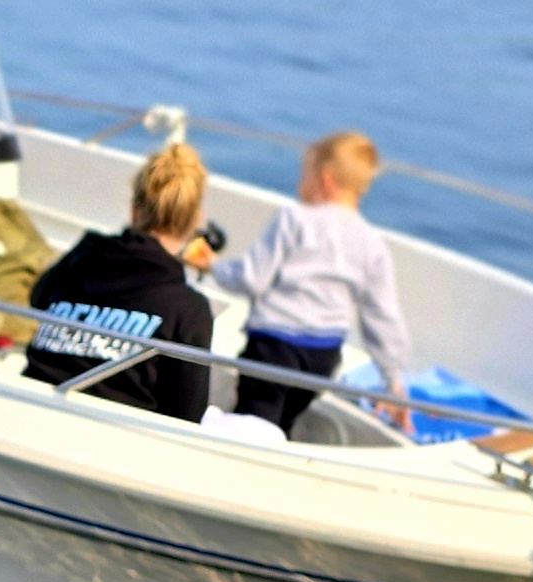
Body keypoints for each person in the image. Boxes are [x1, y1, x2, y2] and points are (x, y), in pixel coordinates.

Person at [212, 130, 417, 434]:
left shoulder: (293, 219)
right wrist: (394, 381)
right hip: (322, 358)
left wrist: (212, 266)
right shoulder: (372, 243)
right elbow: (382, 316)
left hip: (274, 348)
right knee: (281, 423)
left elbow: (251, 279)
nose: (299, 184)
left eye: (304, 174)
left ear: (325, 180)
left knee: (251, 427)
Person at [22, 140, 220, 424]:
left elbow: (37, 299)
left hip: (28, 413)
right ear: (194, 221)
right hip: (112, 437)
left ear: (134, 210)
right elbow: (186, 417)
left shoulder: (78, 260)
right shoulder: (189, 310)